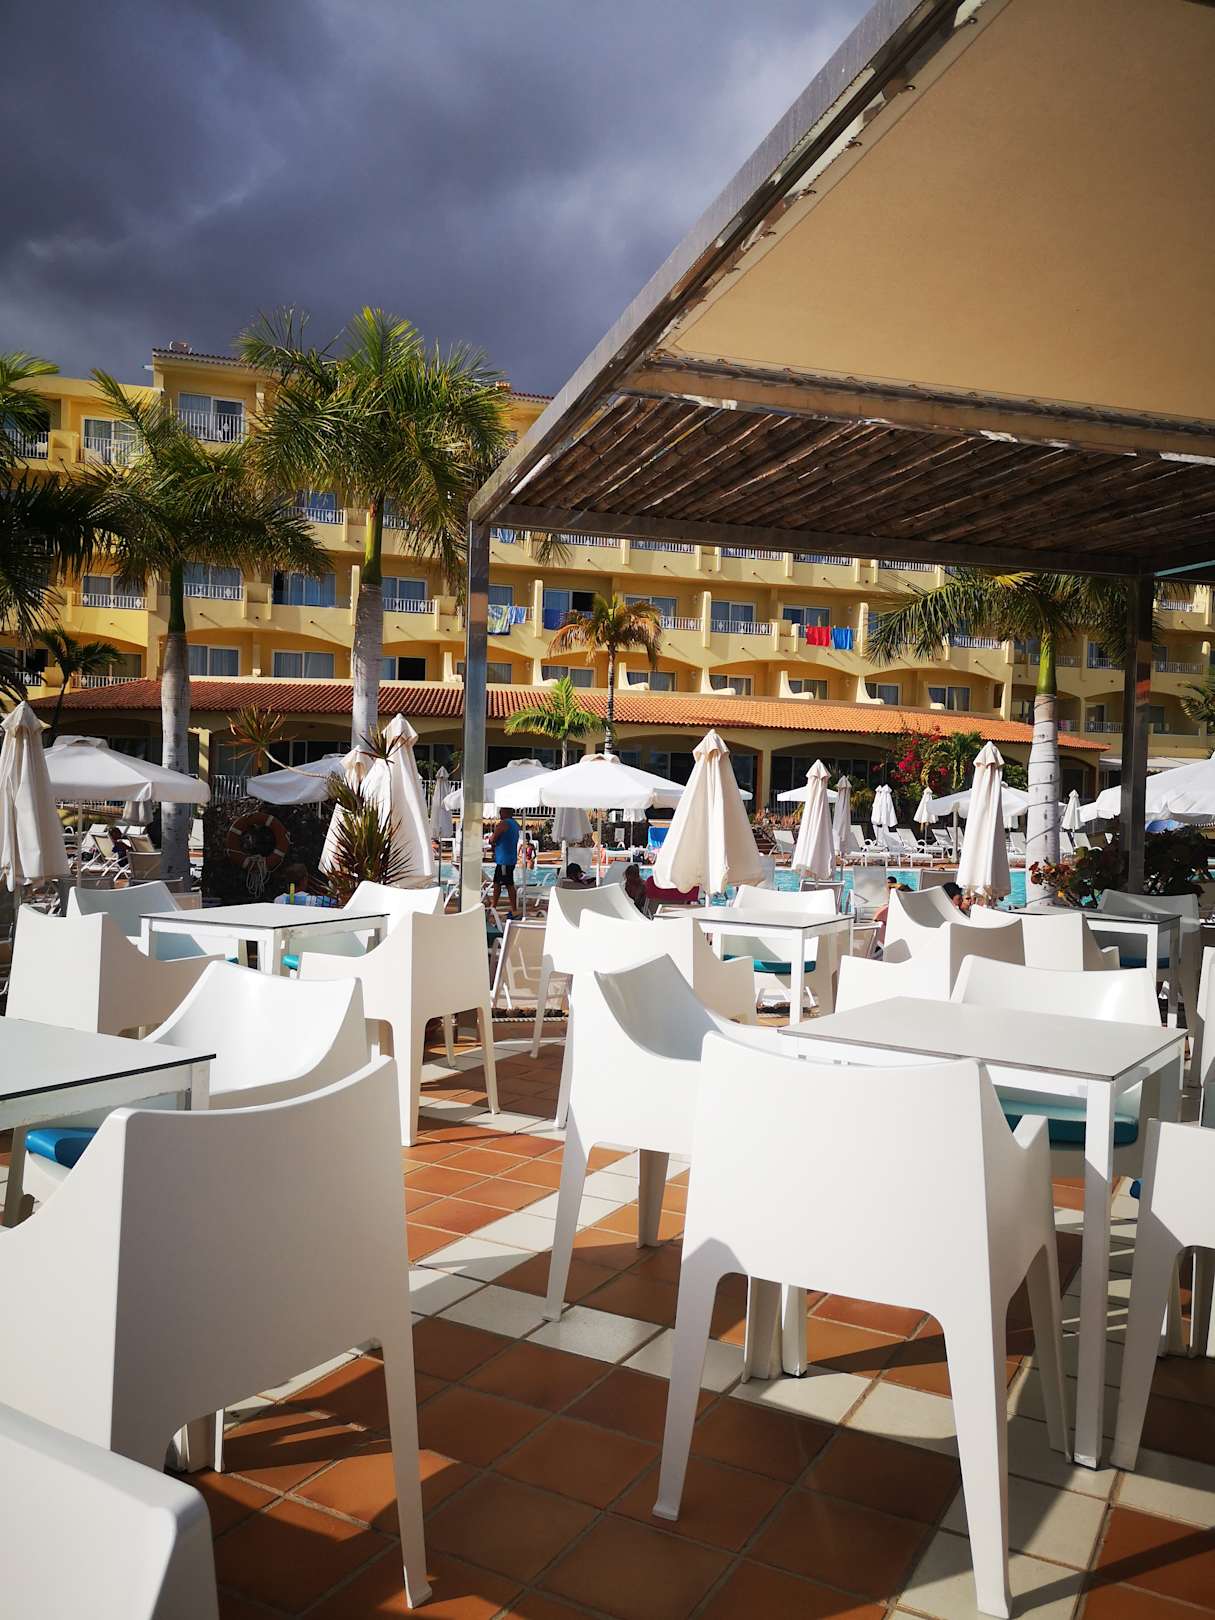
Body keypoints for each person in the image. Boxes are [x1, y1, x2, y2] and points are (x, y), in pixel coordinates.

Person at [491, 810, 522, 917]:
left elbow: (493, 839)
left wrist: (492, 839)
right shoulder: (515, 824)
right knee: (498, 883)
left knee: (507, 884)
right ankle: (494, 906)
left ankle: (512, 909)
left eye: (501, 811)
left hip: (504, 859)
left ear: (505, 812)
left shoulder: (504, 824)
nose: (499, 813)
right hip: (510, 858)